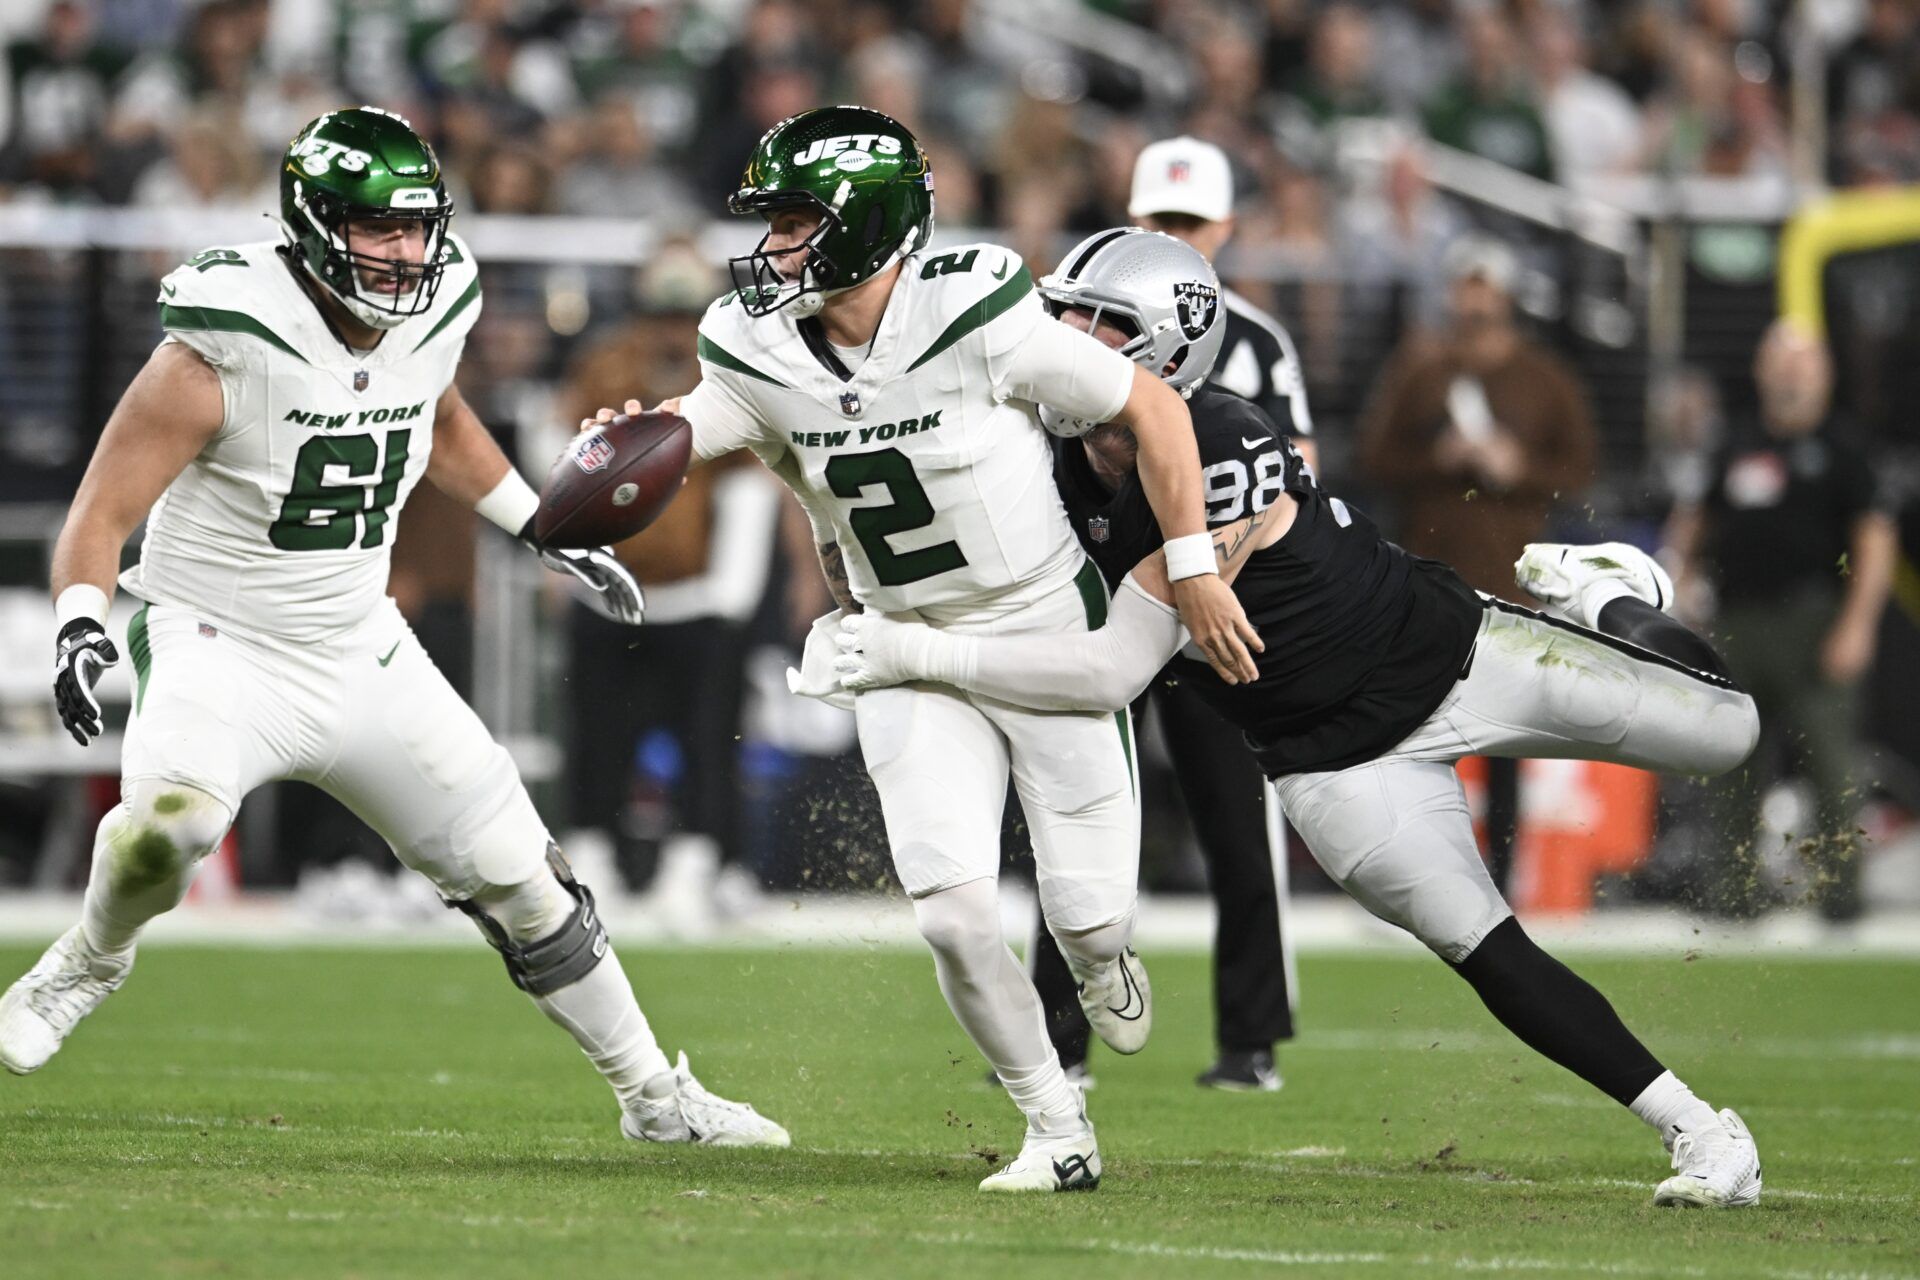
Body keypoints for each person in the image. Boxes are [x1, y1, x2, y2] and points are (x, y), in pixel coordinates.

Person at [836, 281, 1767, 1208]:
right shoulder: (1039, 465)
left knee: (1730, 734)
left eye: (1098, 322)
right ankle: (1703, 1132)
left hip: (1454, 652)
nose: (1065, 336)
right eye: (1065, 315)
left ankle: (1605, 593)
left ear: (1165, 346)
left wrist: (910, 649)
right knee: (1489, 951)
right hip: (1331, 763)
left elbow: (1110, 671)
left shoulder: (1221, 437)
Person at [3, 108, 789, 1150]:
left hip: (358, 642)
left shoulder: (429, 309)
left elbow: (439, 418)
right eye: (379, 229)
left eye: (418, 227)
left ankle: (654, 1094)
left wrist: (539, 526)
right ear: (314, 224)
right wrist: (79, 624)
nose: (407, 253)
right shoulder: (221, 344)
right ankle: (90, 959)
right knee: (169, 827)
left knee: (523, 873)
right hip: (216, 639)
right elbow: (101, 513)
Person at [586, 105, 1255, 1193]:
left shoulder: (977, 306)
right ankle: (1054, 1123)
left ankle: (1100, 956)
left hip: (1043, 620)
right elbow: (693, 427)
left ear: (869, 222)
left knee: (1089, 916)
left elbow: (1156, 409)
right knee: (952, 916)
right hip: (901, 641)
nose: (775, 246)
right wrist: (618, 453)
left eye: (799, 221)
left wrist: (1189, 561)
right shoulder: (752, 346)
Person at [1024, 185, 1304, 1093]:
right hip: (1105, 625)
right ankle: (1057, 1038)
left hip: (1205, 631)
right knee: (1071, 814)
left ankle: (1252, 1036)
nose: (1069, 331)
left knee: (1237, 823)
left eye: (1096, 319)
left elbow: (1283, 498)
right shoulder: (1052, 411)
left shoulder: (1229, 414)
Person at [1357, 233, 1598, 891]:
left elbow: (1580, 469)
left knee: (1505, 744)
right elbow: (1372, 458)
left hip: (1509, 584)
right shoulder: (1419, 372)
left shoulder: (1544, 378)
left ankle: (1504, 875)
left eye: (1485, 290)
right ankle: (1409, 871)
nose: (1474, 305)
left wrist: (1519, 468)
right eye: (1466, 289)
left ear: (1506, 298)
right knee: (1410, 736)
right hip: (1427, 582)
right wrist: (1440, 460)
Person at [1666, 320, 1896, 920]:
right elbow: (1694, 518)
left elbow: (1874, 542)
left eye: (1804, 361)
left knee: (1832, 761)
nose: (1792, 372)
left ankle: (1843, 897)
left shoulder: (1844, 447)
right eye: (1781, 360)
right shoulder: (1735, 441)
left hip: (1814, 618)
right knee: (1732, 762)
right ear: (1762, 371)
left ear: (1824, 373)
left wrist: (1858, 624)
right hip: (1739, 620)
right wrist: (1681, 577)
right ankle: (1732, 894)